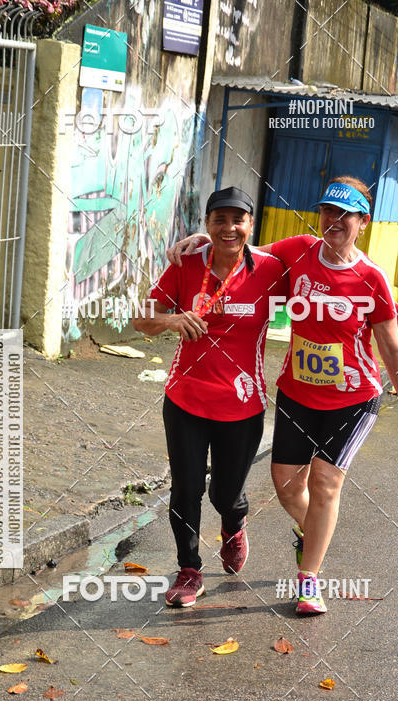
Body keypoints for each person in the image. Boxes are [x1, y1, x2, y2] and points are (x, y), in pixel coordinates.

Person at [168, 176, 398, 615]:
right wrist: (205, 236)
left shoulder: (371, 277)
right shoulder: (298, 249)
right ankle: (315, 532)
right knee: (286, 488)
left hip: (352, 398)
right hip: (297, 394)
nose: (334, 221)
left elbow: (392, 345)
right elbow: (244, 249)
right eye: (327, 212)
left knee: (324, 484)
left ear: (363, 222)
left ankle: (308, 580)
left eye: (345, 215)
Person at [133, 186, 288, 607]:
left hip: (243, 403)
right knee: (186, 487)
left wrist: (379, 313)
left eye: (238, 220)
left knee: (224, 492)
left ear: (250, 226)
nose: (229, 228)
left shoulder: (271, 269)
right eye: (219, 220)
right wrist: (170, 318)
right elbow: (139, 320)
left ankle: (234, 524)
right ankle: (189, 569)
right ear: (207, 224)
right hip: (185, 398)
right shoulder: (186, 265)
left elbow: (321, 280)